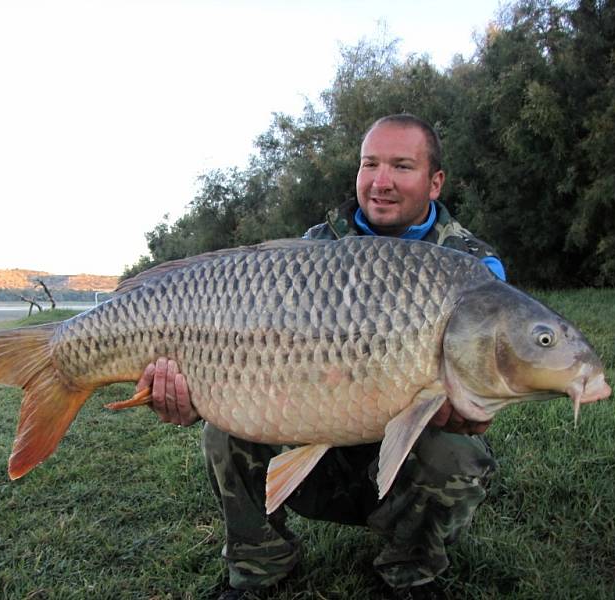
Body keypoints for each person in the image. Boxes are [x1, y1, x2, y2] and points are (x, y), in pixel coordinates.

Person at [136, 114, 506, 600]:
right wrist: (198, 393)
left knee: (459, 453)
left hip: (402, 450)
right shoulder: (315, 251)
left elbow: (486, 374)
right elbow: (248, 340)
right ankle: (259, 566)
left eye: (401, 166)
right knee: (222, 432)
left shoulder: (474, 268)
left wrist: (470, 409)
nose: (381, 181)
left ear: (434, 182)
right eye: (369, 164)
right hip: (310, 436)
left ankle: (409, 573)